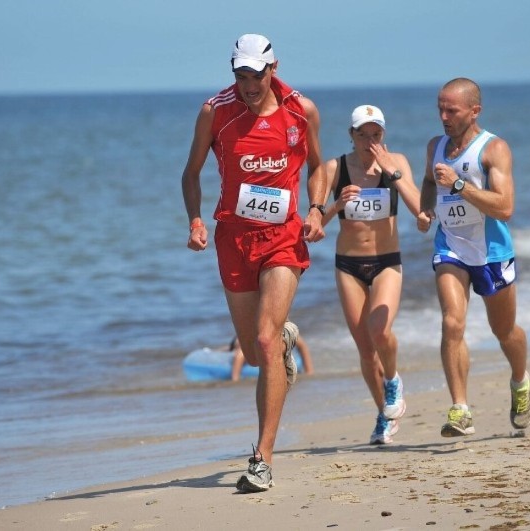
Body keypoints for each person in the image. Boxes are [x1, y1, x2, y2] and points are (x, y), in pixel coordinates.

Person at [181, 34, 327, 493]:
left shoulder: (301, 110)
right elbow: (190, 172)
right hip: (234, 240)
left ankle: (262, 457)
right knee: (254, 345)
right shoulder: (215, 112)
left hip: (283, 237)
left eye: (255, 75)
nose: (247, 85)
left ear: (273, 68)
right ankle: (283, 336)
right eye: (240, 75)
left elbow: (320, 166)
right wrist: (195, 221)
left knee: (263, 344)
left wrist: (318, 209)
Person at [416, 78, 530, 437]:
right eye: (440, 108)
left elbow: (506, 207)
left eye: (451, 110)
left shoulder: (493, 149)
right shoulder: (435, 146)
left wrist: (457, 184)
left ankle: (519, 380)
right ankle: (460, 409)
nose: (443, 116)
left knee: (504, 331)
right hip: (450, 246)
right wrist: (425, 210)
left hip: (492, 252)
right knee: (452, 322)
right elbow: (426, 182)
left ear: (474, 111)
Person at [319, 105, 421, 444]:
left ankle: (392, 381)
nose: (369, 140)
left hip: (387, 261)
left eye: (375, 134)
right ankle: (384, 414)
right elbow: (313, 225)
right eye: (362, 134)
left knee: (380, 330)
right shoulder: (335, 168)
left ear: (384, 135)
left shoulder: (398, 162)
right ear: (351, 135)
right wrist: (336, 205)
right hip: (347, 264)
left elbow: (421, 213)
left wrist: (393, 173)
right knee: (365, 350)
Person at [230, 332, 314, 382]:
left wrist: (309, 372)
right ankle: (228, 348)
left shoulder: (287, 335)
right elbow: (240, 355)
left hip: (271, 334)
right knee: (239, 344)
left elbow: (302, 345)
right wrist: (235, 379)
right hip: (247, 338)